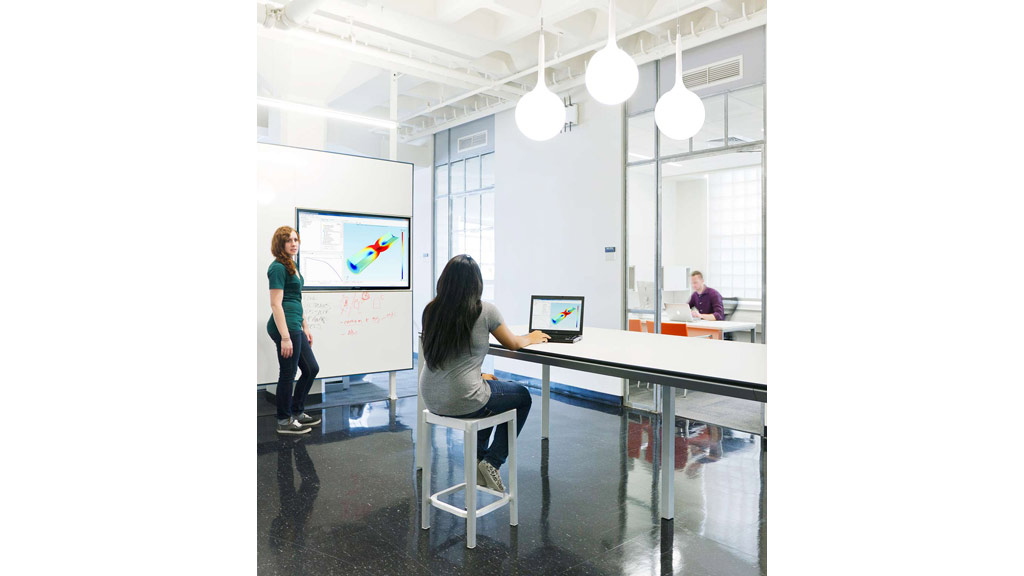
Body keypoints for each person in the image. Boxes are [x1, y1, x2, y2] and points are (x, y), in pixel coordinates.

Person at [419, 254, 549, 493]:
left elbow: (451, 359)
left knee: (491, 392)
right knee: (522, 396)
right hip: (464, 398)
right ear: (476, 284)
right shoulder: (485, 310)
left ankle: (480, 461)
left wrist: (478, 379)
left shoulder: (431, 310)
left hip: (431, 397)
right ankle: (492, 461)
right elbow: (513, 343)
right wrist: (532, 336)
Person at [267, 226, 321, 435]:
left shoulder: (293, 265)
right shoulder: (278, 267)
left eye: (296, 239)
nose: (293, 243)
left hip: (295, 325)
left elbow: (296, 299)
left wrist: (305, 326)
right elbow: (275, 304)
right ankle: (283, 420)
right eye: (288, 240)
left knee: (311, 369)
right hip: (285, 328)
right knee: (288, 373)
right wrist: (285, 337)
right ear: (280, 244)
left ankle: (297, 412)